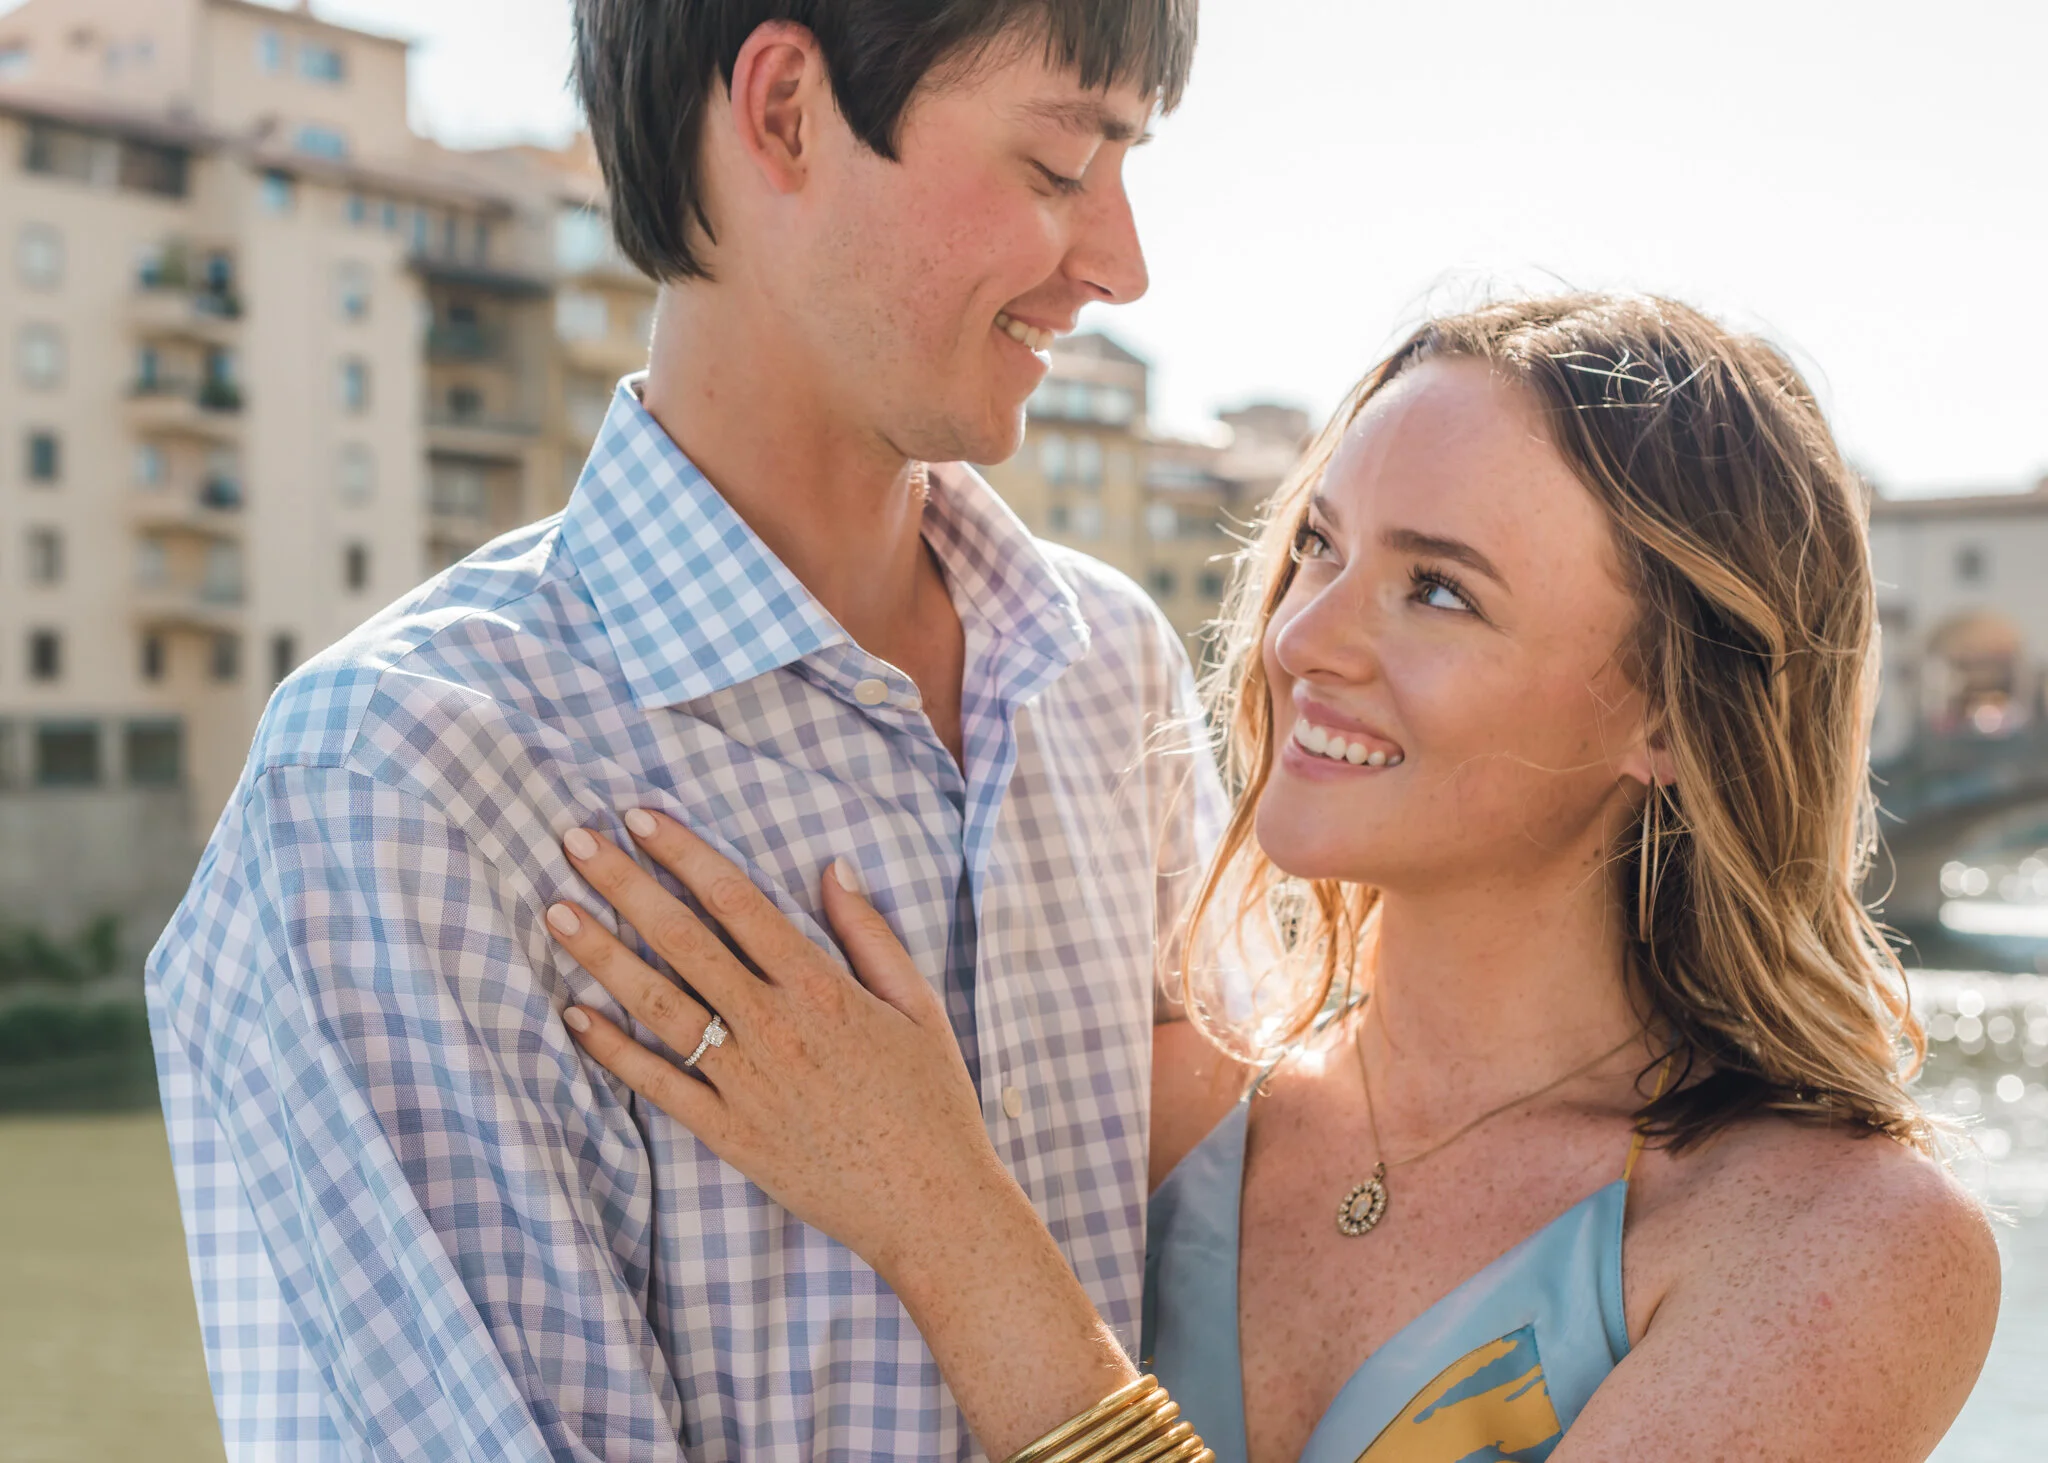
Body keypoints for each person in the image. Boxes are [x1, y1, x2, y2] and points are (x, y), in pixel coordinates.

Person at [545, 294, 2003, 1463]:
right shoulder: (1152, 1112)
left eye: (1436, 588)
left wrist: (946, 1222)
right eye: (1319, 544)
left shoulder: (1847, 1248)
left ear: (1670, 713)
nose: (1305, 638)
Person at [144, 3, 1208, 1457]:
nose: (1120, 264)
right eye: (1058, 165)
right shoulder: (408, 786)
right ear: (781, 110)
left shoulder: (1112, 674)